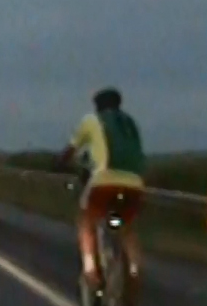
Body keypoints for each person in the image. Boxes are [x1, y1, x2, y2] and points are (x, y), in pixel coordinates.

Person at [56, 87, 147, 292]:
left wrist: (60, 162)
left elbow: (71, 149)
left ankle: (91, 271)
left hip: (105, 182)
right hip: (134, 184)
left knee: (86, 221)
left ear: (97, 106)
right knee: (125, 226)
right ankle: (134, 269)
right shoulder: (130, 124)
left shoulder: (92, 121)